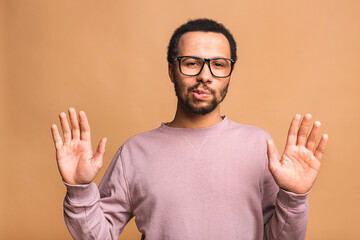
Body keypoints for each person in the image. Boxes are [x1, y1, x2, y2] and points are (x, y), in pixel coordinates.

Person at [51, 19, 328, 240]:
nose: (205, 75)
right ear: (172, 70)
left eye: (219, 64)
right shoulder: (135, 152)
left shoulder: (259, 145)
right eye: (192, 63)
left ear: (230, 74)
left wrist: (294, 198)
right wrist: (79, 188)